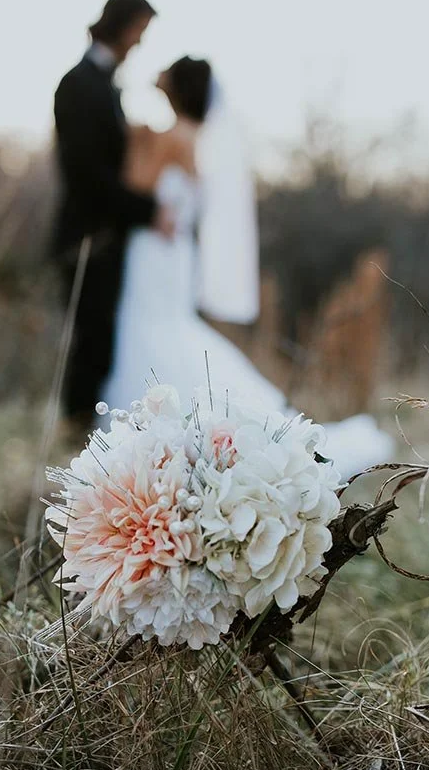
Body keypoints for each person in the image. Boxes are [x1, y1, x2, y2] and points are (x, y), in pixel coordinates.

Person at [101, 57, 394, 479]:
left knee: (151, 327)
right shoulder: (197, 136)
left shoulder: (172, 137)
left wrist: (134, 141)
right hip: (171, 252)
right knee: (162, 327)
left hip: (154, 251)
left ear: (178, 89)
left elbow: (136, 185)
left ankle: (147, 429)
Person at [52, 0, 172, 436]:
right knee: (91, 342)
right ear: (121, 26)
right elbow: (87, 176)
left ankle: (83, 433)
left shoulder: (103, 85)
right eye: (139, 31)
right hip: (88, 239)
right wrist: (148, 208)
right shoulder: (79, 84)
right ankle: (74, 435)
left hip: (107, 237)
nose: (140, 43)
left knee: (100, 342)